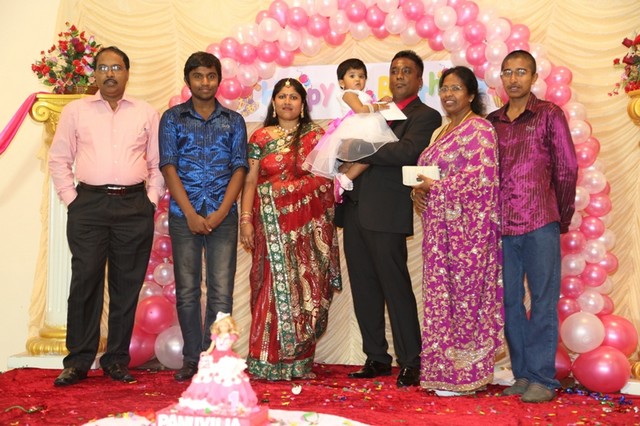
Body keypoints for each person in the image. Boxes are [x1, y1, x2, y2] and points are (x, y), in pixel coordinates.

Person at [48, 46, 164, 386]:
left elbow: (157, 163)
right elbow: (59, 159)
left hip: (133, 207)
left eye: (116, 68)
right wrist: (73, 201)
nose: (110, 74)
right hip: (89, 206)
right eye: (103, 68)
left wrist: (150, 200)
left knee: (126, 286)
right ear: (95, 74)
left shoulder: (146, 112)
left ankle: (116, 359)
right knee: (85, 281)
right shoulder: (75, 111)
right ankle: (78, 361)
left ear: (127, 73)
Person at [336, 50, 442, 387]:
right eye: (395, 70)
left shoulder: (425, 115)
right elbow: (343, 145)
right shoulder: (376, 108)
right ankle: (376, 358)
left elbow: (406, 152)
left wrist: (359, 148)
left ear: (419, 79)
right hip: (354, 208)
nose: (399, 76)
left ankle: (411, 360)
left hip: (387, 211)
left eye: (406, 71)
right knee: (364, 287)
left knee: (395, 288)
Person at [486, 50, 578, 403]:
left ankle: (542, 378)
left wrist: (560, 216)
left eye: (521, 71)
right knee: (508, 302)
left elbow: (567, 168)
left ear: (534, 77)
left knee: (542, 300)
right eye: (508, 72)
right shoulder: (492, 122)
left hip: (540, 220)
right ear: (501, 78)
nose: (514, 78)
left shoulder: (549, 114)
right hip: (502, 227)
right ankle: (523, 374)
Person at [240, 78, 342, 380]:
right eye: (282, 96)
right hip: (271, 227)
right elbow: (250, 180)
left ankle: (298, 361)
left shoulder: (316, 136)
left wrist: (288, 191)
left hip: (307, 231)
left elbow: (326, 179)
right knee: (269, 287)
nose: (287, 101)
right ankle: (265, 358)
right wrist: (245, 219)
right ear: (273, 102)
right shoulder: (260, 137)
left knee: (305, 286)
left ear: (302, 104)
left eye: (294, 97)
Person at [411, 66, 504, 396]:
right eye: (444, 89)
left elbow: (482, 183)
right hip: (439, 236)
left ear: (471, 94)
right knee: (441, 301)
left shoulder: (480, 129)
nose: (448, 94)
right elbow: (429, 175)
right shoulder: (442, 131)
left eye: (456, 88)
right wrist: (418, 192)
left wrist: (436, 187)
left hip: (468, 240)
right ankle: (442, 372)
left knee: (465, 302)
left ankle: (465, 375)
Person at [159, 51, 248, 382]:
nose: (205, 82)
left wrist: (222, 211)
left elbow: (240, 167)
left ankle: (216, 358)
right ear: (188, 80)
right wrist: (191, 213)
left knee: (221, 292)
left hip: (224, 216)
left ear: (219, 80)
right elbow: (168, 166)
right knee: (187, 292)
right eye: (198, 76)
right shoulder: (172, 119)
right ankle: (191, 358)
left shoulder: (233, 121)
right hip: (184, 216)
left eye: (211, 76)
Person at [303, 58, 397, 202]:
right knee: (369, 154)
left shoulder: (362, 95)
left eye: (361, 76)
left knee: (367, 156)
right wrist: (379, 106)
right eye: (352, 76)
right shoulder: (349, 94)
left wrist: (380, 102)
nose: (357, 79)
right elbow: (360, 109)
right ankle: (344, 179)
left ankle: (341, 178)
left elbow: (367, 106)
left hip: (363, 126)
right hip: (356, 127)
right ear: (342, 82)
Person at [177, 313, 258, 415]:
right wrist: (207, 352)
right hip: (215, 355)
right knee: (210, 375)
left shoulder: (231, 337)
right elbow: (211, 347)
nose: (223, 327)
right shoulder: (216, 337)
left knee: (227, 376)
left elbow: (229, 345)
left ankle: (228, 399)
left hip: (227, 356)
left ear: (229, 326)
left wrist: (229, 338)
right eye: (221, 326)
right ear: (218, 326)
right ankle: (209, 396)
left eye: (225, 325)